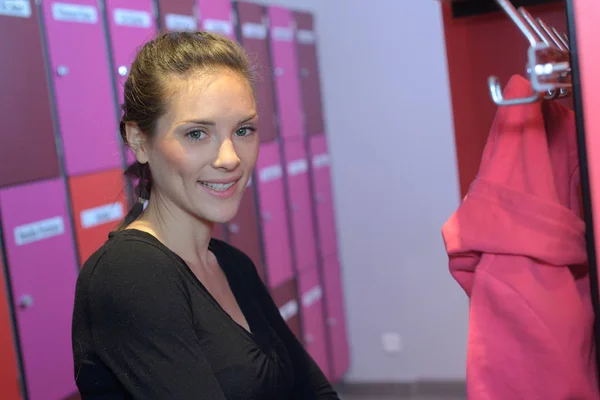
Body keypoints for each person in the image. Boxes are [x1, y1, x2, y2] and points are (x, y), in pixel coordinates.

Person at [71, 31, 340, 399]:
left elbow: (314, 391)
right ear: (138, 141)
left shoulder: (233, 265)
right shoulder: (130, 274)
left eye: (243, 130)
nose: (230, 158)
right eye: (197, 134)